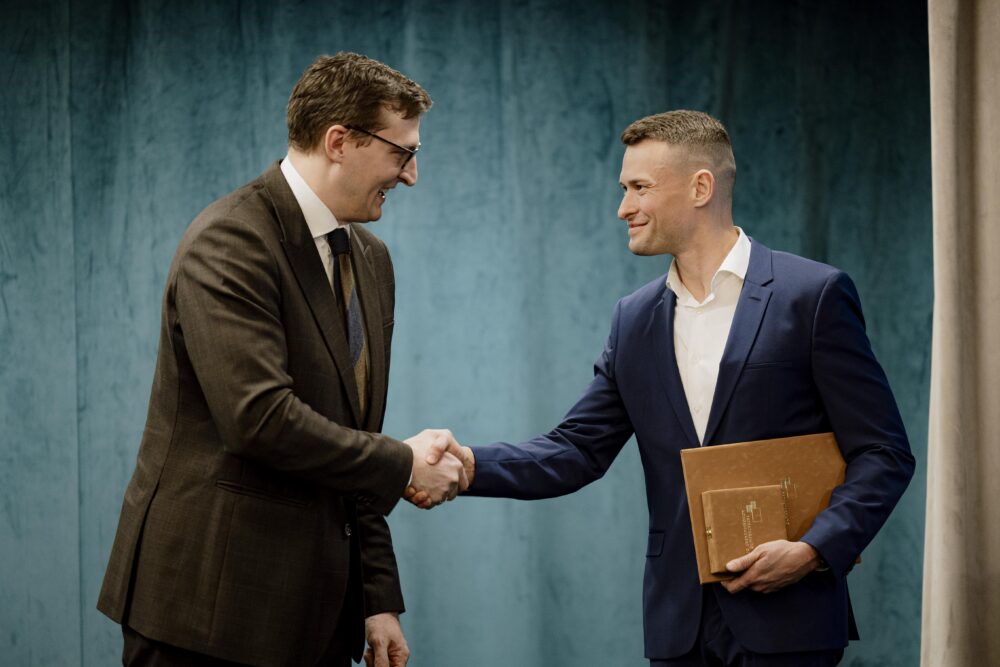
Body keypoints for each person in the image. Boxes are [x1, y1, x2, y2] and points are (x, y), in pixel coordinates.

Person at [411, 110, 915, 666]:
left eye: (639, 188)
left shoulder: (812, 295)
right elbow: (576, 450)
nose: (623, 208)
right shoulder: (634, 319)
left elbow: (883, 451)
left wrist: (815, 549)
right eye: (623, 189)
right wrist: (469, 465)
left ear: (700, 187)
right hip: (679, 628)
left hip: (791, 622)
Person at [97, 52, 467, 667]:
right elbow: (259, 419)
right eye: (401, 153)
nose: (411, 176)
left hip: (316, 618)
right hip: (207, 617)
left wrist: (376, 596)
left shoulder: (370, 259)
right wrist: (403, 463)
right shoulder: (231, 239)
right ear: (339, 141)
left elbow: (350, 434)